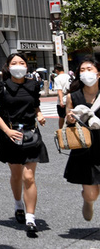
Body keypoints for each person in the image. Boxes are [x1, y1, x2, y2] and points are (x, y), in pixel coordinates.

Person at [0, 53, 48, 237]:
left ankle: (30, 218)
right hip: (11, 135)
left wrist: (39, 114)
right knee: (16, 175)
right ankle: (18, 205)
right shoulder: (0, 87)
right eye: (14, 63)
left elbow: (35, 104)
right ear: (8, 66)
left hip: (31, 134)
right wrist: (7, 131)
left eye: (22, 62)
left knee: (29, 177)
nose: (18, 65)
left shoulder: (33, 85)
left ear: (27, 65)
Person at [63, 57, 100, 221]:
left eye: (90, 69)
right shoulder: (73, 97)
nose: (86, 72)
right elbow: (67, 121)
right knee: (92, 194)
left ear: (98, 73)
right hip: (85, 148)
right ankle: (88, 200)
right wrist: (70, 119)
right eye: (82, 70)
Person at [53, 64, 72, 128]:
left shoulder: (57, 78)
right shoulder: (70, 76)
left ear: (56, 70)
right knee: (71, 115)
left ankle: (60, 130)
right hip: (71, 97)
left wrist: (61, 101)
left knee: (61, 116)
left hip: (64, 98)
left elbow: (59, 90)